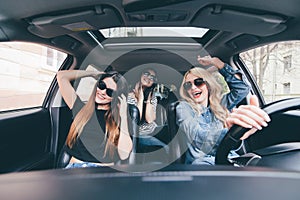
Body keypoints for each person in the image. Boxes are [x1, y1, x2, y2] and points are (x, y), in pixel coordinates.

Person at [176, 55, 270, 165]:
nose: (193, 88)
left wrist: (217, 63)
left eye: (198, 82)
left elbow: (243, 88)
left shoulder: (221, 103)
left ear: (208, 84)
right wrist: (230, 132)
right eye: (188, 85)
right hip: (203, 163)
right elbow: (198, 137)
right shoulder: (183, 107)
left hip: (229, 157)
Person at [57, 69, 132, 168]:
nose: (102, 92)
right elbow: (61, 76)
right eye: (101, 86)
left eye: (110, 92)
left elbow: (124, 155)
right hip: (75, 169)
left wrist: (123, 116)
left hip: (101, 171)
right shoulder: (80, 109)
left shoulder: (119, 120)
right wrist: (92, 73)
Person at [127, 68, 166, 150]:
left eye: (152, 77)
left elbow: (150, 119)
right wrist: (140, 99)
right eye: (146, 73)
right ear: (139, 75)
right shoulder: (128, 96)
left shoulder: (152, 97)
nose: (149, 78)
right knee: (165, 148)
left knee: (172, 131)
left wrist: (148, 99)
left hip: (153, 130)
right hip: (140, 134)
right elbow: (136, 122)